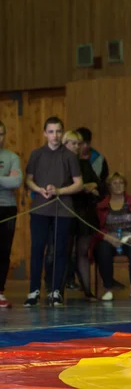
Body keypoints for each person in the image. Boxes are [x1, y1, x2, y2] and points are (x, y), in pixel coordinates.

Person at [24, 117, 83, 306]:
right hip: (40, 209)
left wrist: (59, 191)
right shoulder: (36, 154)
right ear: (45, 133)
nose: (54, 135)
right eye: (51, 131)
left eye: (58, 131)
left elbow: (78, 183)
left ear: (62, 132)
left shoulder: (69, 156)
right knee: (38, 249)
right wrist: (39, 189)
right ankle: (34, 291)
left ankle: (56, 291)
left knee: (59, 251)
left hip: (63, 211)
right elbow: (29, 179)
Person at [94, 173, 131, 301]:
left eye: (121, 183)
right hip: (109, 240)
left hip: (129, 239)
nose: (118, 186)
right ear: (109, 186)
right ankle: (108, 289)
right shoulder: (101, 205)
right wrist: (106, 237)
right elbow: (95, 227)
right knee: (102, 250)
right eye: (115, 183)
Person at [63, 130, 101, 300]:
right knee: (63, 251)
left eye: (79, 144)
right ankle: (57, 290)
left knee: (82, 252)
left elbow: (101, 187)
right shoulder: (60, 163)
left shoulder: (84, 164)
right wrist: (82, 187)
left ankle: (87, 290)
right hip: (66, 211)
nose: (76, 147)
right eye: (72, 143)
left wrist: (92, 186)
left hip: (84, 213)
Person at [0, 121, 23, 308]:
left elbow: (16, 181)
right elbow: (8, 180)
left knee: (4, 250)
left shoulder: (11, 157)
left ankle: (0, 291)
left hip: (7, 207)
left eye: (1, 134)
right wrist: (4, 179)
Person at [77, 127, 109, 196]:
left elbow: (104, 182)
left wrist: (95, 185)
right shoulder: (68, 158)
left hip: (93, 198)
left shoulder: (100, 159)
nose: (85, 146)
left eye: (87, 143)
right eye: (82, 143)